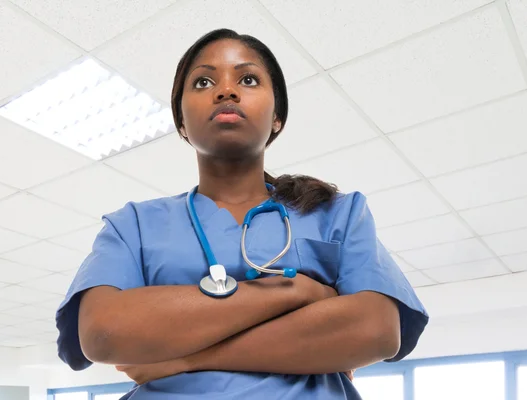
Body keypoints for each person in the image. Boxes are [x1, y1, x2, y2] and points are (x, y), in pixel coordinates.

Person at [55, 28, 429, 399]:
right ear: (182, 123)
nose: (226, 91)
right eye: (203, 82)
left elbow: (377, 329)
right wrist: (292, 291)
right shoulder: (132, 225)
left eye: (248, 79)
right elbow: (102, 332)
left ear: (277, 117)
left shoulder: (339, 214)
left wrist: (182, 359)